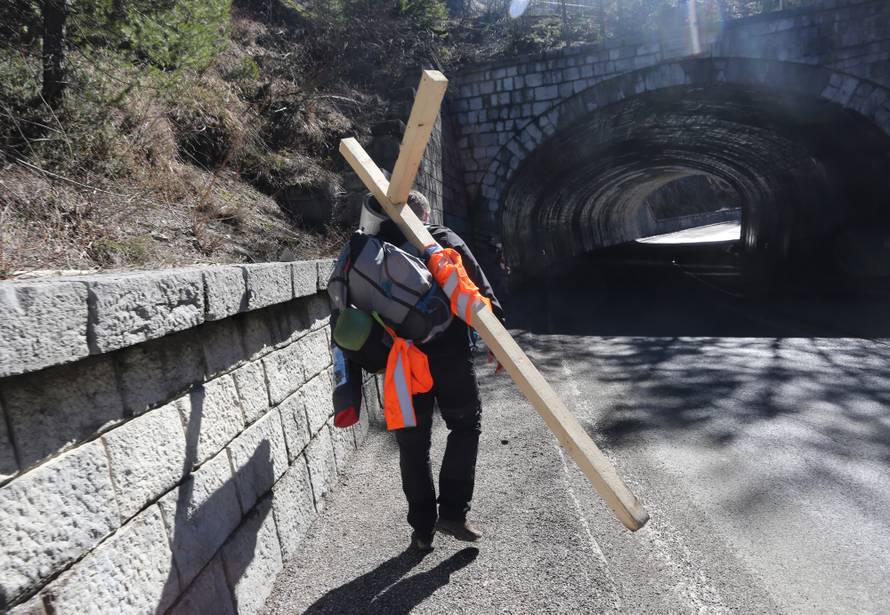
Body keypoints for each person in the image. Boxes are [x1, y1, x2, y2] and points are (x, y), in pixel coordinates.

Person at [363, 190, 505, 553]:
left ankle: (422, 530)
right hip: (449, 356)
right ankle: (453, 513)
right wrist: (499, 339)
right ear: (424, 215)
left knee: (413, 445)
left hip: (403, 364)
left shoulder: (372, 251)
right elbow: (475, 287)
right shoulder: (440, 239)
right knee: (465, 425)